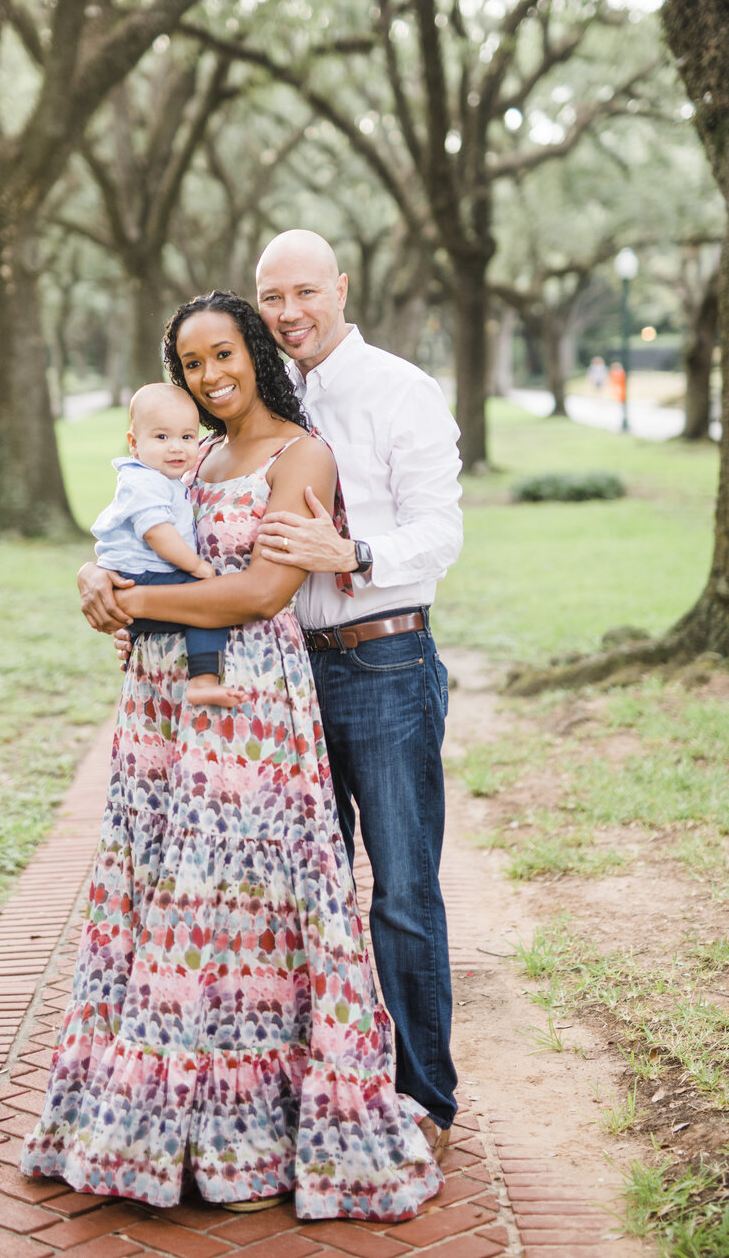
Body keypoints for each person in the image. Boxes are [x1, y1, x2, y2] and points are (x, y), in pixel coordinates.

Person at [22, 291, 442, 1222]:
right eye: (192, 364)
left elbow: (259, 594)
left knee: (244, 907)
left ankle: (254, 1131)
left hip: (251, 711)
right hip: (164, 711)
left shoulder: (305, 456)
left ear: (253, 349)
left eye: (224, 355)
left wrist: (135, 603)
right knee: (166, 900)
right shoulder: (190, 452)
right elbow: (129, 539)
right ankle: (154, 1130)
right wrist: (98, 576)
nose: (210, 377)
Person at [251, 230, 463, 1163]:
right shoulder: (261, 403)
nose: (290, 312)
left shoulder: (401, 389)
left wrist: (356, 556)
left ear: (341, 287)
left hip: (385, 664)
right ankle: (330, 1084)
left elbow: (440, 531)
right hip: (287, 673)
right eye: (271, 299)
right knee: (310, 889)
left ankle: (424, 1098)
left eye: (305, 291)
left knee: (404, 891)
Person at [91, 381, 242, 707]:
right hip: (143, 575)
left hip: (138, 575)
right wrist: (196, 566)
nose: (176, 447)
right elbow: (157, 533)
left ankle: (133, 645)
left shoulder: (162, 479)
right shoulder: (145, 482)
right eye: (162, 437)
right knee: (209, 605)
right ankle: (203, 680)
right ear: (134, 443)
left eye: (187, 437)